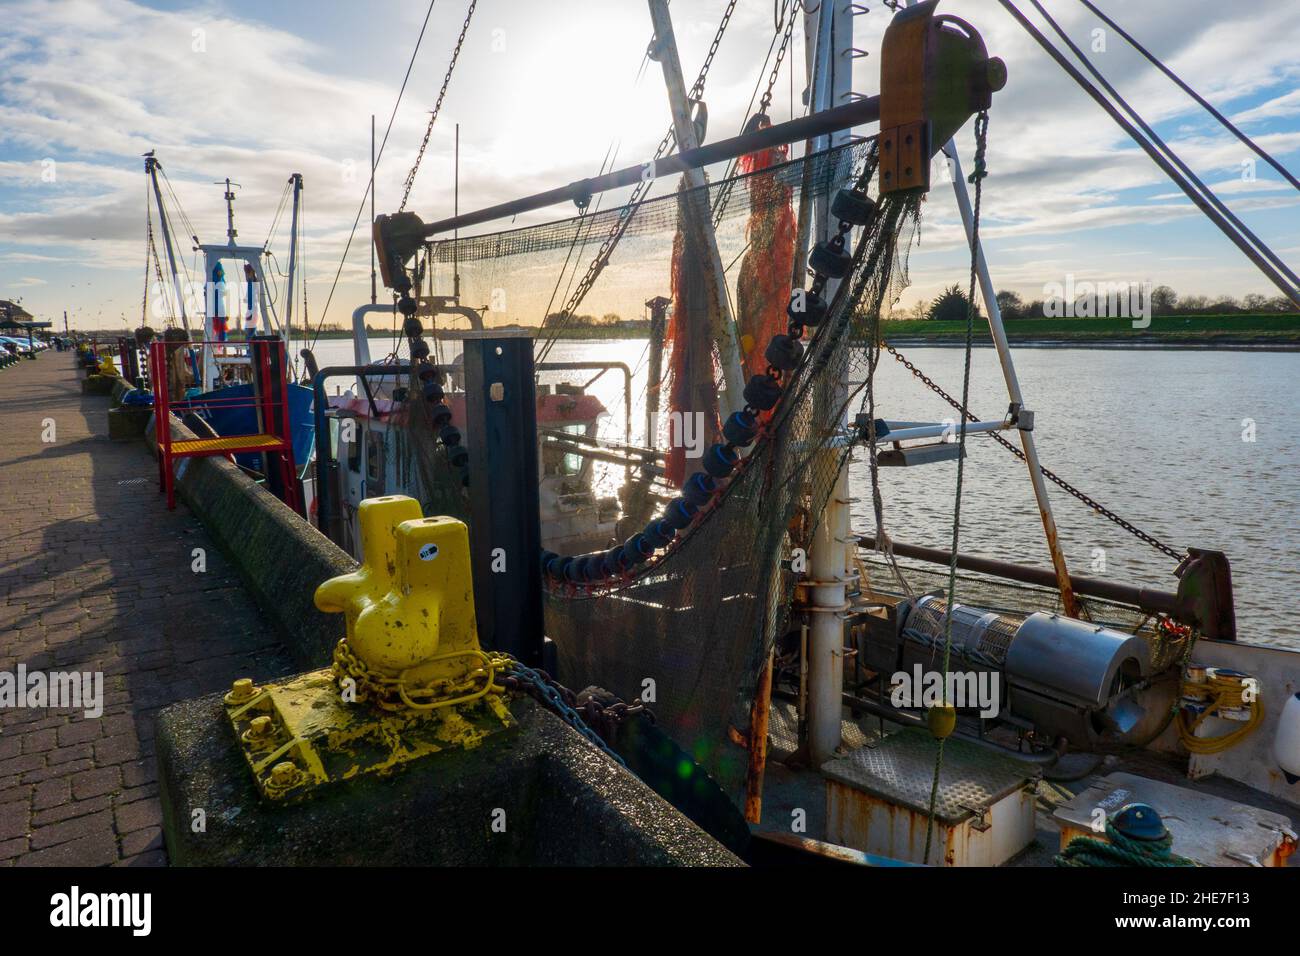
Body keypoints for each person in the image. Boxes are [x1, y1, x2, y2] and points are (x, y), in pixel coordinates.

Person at [243, 262, 259, 336]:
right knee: (251, 331)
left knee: (249, 331)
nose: (245, 276)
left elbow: (252, 298)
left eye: (246, 273)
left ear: (250, 273)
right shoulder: (251, 283)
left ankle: (251, 346)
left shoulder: (252, 283)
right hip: (252, 310)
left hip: (252, 311)